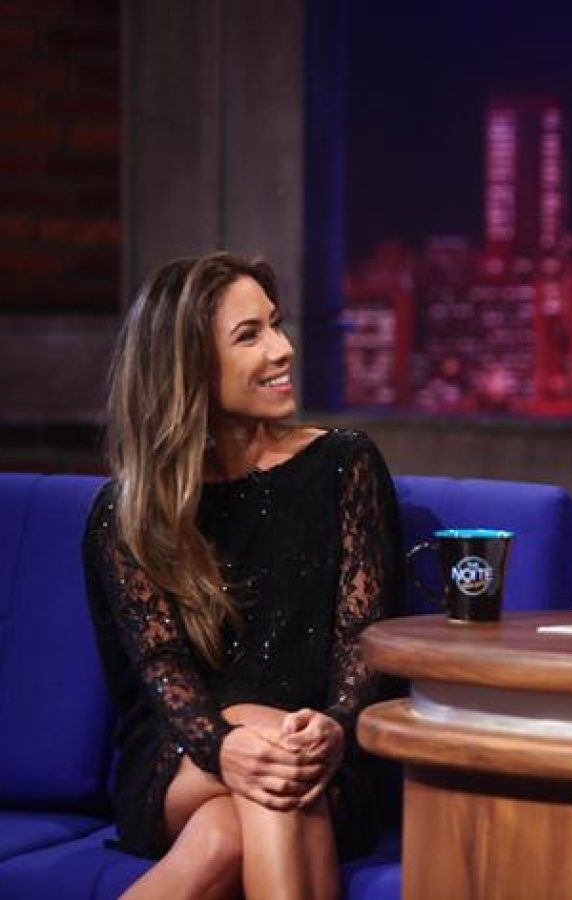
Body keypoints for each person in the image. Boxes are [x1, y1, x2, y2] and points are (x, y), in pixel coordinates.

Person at [83, 252, 403, 899]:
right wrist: (221, 744)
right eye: (249, 335)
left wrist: (336, 724)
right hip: (179, 754)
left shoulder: (345, 465)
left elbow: (363, 641)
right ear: (189, 364)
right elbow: (162, 671)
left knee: (229, 828)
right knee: (264, 749)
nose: (282, 350)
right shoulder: (133, 510)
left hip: (324, 754)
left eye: (275, 324)